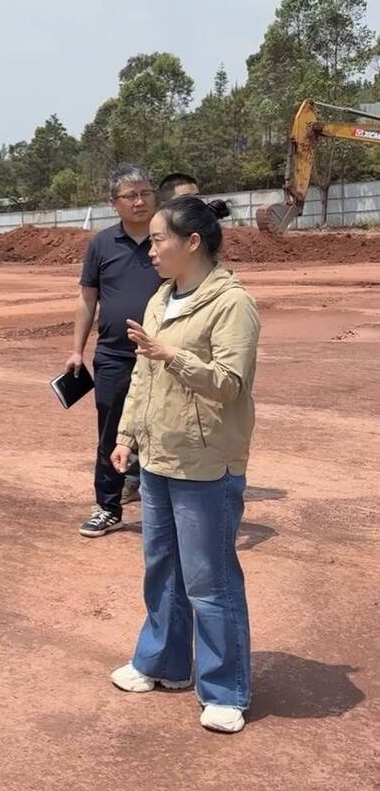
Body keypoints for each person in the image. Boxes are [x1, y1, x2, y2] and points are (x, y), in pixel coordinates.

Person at [108, 197, 259, 734]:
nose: (150, 250)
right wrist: (127, 435)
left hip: (205, 461)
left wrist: (172, 354)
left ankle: (226, 690)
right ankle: (163, 663)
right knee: (163, 570)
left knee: (209, 579)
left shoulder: (233, 304)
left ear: (192, 242)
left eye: (157, 240)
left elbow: (230, 384)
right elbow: (142, 376)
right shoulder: (161, 298)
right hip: (158, 456)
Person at [67, 164, 163, 538]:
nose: (140, 201)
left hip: (163, 355)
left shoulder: (169, 238)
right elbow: (87, 299)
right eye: (130, 195)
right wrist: (77, 350)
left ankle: (164, 508)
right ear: (114, 203)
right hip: (114, 355)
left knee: (164, 430)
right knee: (110, 432)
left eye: (146, 193)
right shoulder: (101, 244)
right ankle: (108, 507)